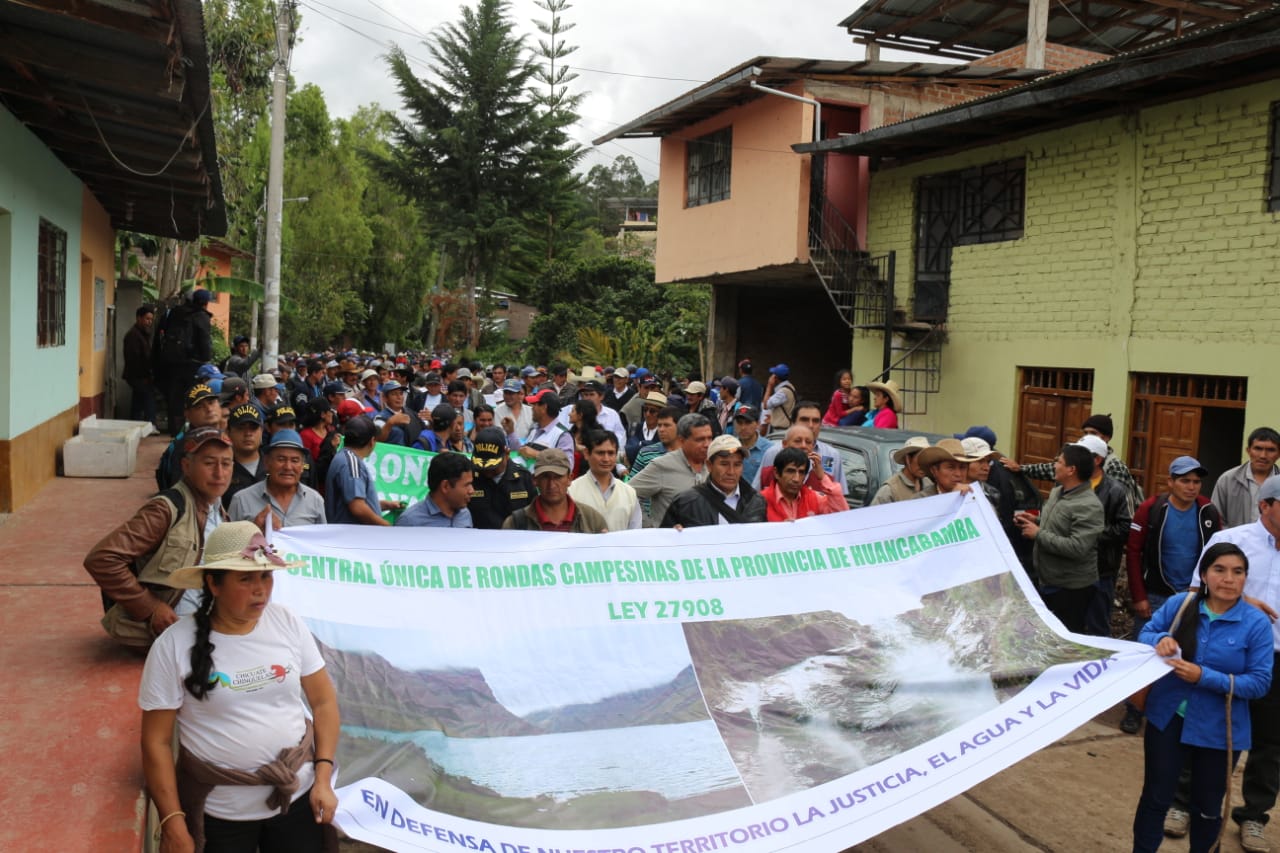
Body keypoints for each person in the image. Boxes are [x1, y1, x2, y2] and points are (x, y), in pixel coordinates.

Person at [139, 521, 339, 853]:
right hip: (220, 816)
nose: (261, 589)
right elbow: (156, 741)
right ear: (213, 584)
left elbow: (323, 702)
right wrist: (172, 820)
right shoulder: (173, 646)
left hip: (297, 801)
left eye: (266, 576)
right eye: (245, 578)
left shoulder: (287, 622)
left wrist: (323, 776)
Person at [1131, 543, 1273, 853]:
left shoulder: (1256, 623)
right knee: (1156, 798)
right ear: (1204, 575)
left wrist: (1203, 676)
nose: (1228, 579)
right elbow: (1145, 634)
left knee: (1208, 807)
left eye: (1237, 572)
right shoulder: (1181, 605)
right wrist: (1161, 639)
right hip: (1168, 719)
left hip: (1220, 730)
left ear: (1245, 578)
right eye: (1219, 570)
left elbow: (1260, 682)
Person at [84, 426, 232, 650]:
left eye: (226, 463)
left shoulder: (219, 510)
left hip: (206, 635)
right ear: (186, 466)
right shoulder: (166, 509)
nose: (219, 473)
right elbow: (102, 559)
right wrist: (150, 607)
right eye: (209, 463)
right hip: (170, 639)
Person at [1200, 477, 1280, 851]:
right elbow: (1195, 588)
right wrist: (1244, 601)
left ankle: (1253, 818)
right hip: (1229, 651)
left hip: (1277, 661)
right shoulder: (1233, 542)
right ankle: (1190, 805)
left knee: (1270, 742)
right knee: (1212, 733)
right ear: (1265, 506)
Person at [1015, 443, 1105, 632]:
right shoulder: (1058, 492)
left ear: (1071, 470)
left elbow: (1077, 547)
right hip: (1049, 581)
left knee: (1067, 637)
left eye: (1059, 462)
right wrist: (1036, 519)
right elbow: (1059, 523)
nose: (1054, 466)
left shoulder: (1089, 506)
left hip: (1072, 589)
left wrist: (1038, 533)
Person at [228, 429, 326, 529]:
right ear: (266, 462)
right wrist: (254, 531)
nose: (288, 467)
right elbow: (228, 543)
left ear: (302, 466)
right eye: (281, 459)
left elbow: (322, 541)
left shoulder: (315, 500)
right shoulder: (241, 500)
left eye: (295, 461)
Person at [662, 434, 766, 527]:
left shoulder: (756, 502)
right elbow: (664, 542)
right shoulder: (685, 502)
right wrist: (674, 535)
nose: (731, 472)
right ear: (709, 465)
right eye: (724, 464)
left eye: (737, 465)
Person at [629, 413, 714, 527]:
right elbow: (627, 493)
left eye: (709, 438)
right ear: (682, 440)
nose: (707, 444)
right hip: (669, 542)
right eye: (700, 439)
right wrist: (648, 525)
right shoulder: (662, 466)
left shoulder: (715, 465)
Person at [753, 402, 848, 495]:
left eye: (815, 421)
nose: (811, 425)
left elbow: (839, 496)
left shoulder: (831, 455)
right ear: (793, 423)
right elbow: (758, 491)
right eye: (804, 419)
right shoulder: (773, 453)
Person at [502, 449, 607, 533]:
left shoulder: (593, 520)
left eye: (558, 477)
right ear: (535, 480)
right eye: (545, 477)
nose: (551, 484)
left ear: (570, 478)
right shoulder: (515, 524)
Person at [324, 416, 392, 526]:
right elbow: (357, 507)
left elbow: (351, 501)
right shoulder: (351, 463)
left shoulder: (344, 458)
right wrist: (386, 526)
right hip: (352, 538)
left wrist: (386, 505)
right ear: (372, 441)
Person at [568, 431, 641, 531]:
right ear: (586, 454)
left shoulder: (629, 493)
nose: (606, 459)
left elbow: (635, 535)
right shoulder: (572, 491)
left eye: (611, 453)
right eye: (600, 453)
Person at [157, 383, 226, 490]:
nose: (209, 409)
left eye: (211, 403)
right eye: (199, 406)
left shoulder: (229, 437)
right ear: (187, 414)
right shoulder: (184, 447)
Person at [1211, 427, 1280, 528]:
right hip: (1235, 542)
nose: (1263, 455)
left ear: (1278, 454)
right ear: (1248, 450)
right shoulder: (1228, 479)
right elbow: (1216, 518)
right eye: (1258, 448)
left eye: (1270, 450)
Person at [468, 427, 535, 529]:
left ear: (507, 454)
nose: (487, 471)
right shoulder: (469, 478)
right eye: (482, 467)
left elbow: (534, 516)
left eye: (493, 467)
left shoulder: (523, 478)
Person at [762, 446, 847, 522]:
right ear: (776, 473)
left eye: (801, 472)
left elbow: (841, 516)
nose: (796, 479)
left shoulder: (814, 498)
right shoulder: (761, 501)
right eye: (790, 471)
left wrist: (822, 477)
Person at [396, 452, 475, 528]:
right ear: (445, 486)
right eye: (467, 485)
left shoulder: (464, 514)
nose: (472, 491)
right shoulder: (409, 522)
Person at [222, 404, 267, 510]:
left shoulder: (273, 465)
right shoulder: (221, 469)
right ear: (228, 432)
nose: (248, 433)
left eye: (253, 428)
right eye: (241, 428)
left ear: (261, 431)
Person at [871, 437, 936, 505]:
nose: (923, 465)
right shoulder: (890, 490)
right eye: (920, 460)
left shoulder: (928, 483)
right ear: (908, 459)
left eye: (926, 461)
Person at [123, 304, 157, 424]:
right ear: (139, 318)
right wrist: (144, 376)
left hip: (140, 375)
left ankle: (135, 423)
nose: (149, 322)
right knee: (148, 397)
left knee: (138, 400)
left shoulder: (142, 334)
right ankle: (150, 424)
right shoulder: (133, 335)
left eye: (151, 320)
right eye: (147, 319)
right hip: (137, 375)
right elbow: (134, 360)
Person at [373, 380, 423, 448]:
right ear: (385, 398)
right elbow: (377, 440)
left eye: (401, 393)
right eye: (394, 394)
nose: (399, 397)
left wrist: (431, 420)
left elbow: (423, 430)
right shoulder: (380, 418)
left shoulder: (411, 413)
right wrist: (389, 423)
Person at [733, 406, 773, 487]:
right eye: (739, 423)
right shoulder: (729, 446)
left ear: (758, 424)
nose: (743, 427)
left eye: (748, 422)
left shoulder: (769, 450)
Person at [496, 378, 533, 446]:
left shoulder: (530, 411)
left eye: (511, 393)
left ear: (519, 394)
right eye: (506, 393)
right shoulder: (497, 411)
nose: (508, 396)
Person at [762, 364, 797, 432]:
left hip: (781, 430)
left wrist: (769, 386)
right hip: (784, 427)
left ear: (775, 378)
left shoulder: (783, 392)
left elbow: (765, 405)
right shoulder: (789, 387)